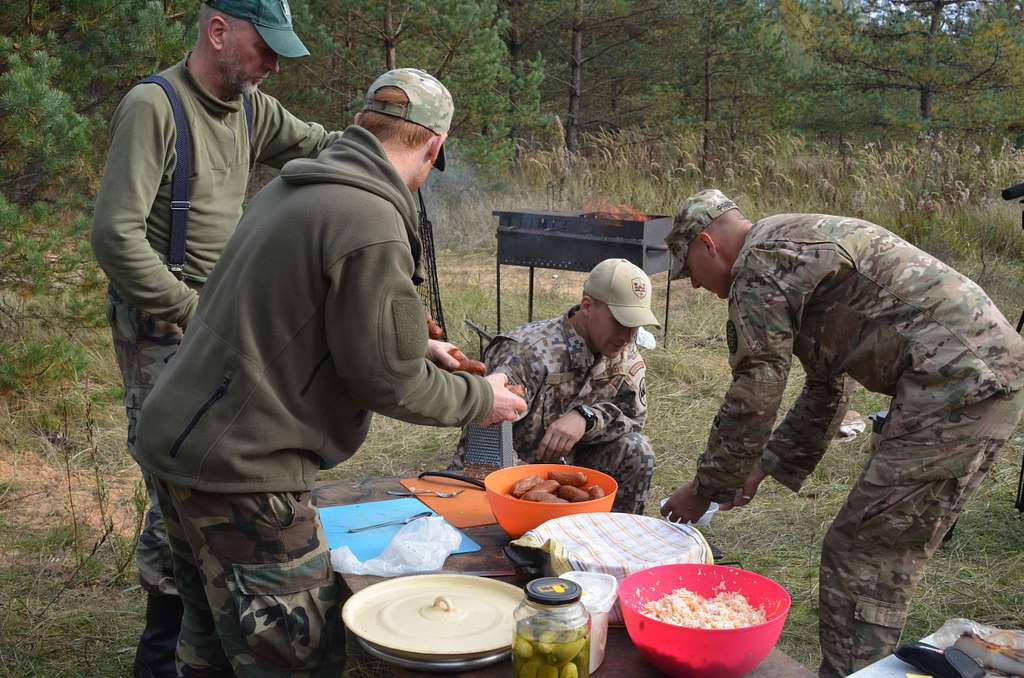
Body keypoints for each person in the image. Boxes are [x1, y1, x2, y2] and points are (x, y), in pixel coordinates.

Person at [133, 67, 526, 676]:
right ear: (432, 145)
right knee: (298, 656)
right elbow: (388, 383)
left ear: (364, 124)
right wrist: (483, 398)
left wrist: (418, 344)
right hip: (243, 470)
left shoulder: (296, 188)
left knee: (209, 639)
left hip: (179, 441)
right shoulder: (369, 219)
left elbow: (285, 311)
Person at [659, 190, 1024, 677]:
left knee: (863, 553)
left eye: (690, 274)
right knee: (876, 547)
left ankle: (855, 672)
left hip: (955, 384)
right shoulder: (791, 244)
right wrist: (763, 468)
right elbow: (827, 384)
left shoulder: (759, 265)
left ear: (706, 244)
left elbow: (755, 390)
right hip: (974, 376)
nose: (699, 288)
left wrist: (706, 489)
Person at [89, 2, 346, 674]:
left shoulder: (252, 108)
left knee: (216, 472)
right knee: (176, 478)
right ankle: (162, 649)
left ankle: (208, 630)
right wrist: (190, 310)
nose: (272, 67)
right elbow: (115, 234)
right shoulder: (155, 107)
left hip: (218, 326)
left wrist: (388, 142)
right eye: (265, 49)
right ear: (218, 31)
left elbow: (320, 144)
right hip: (164, 329)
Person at [450, 258, 659, 514]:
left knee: (638, 451)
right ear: (587, 306)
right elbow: (488, 441)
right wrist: (542, 491)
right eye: (620, 322)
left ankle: (615, 542)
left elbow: (633, 418)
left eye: (634, 325)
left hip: (571, 472)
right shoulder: (527, 352)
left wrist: (588, 418)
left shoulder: (625, 353)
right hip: (503, 472)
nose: (628, 337)